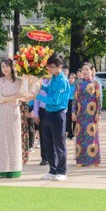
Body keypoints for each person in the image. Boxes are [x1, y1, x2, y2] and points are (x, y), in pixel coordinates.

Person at [38, 53, 71, 181]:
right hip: (48, 113)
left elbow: (55, 100)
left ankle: (62, 171)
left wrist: (37, 96)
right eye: (48, 67)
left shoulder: (62, 80)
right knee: (48, 143)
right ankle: (53, 169)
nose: (49, 69)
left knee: (59, 144)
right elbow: (49, 90)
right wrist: (40, 86)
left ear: (59, 67)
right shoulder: (53, 78)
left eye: (52, 67)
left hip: (58, 114)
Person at [0, 59, 23, 178]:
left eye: (7, 66)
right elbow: (0, 99)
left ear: (12, 67)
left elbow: (25, 96)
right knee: (3, 141)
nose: (5, 69)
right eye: (3, 66)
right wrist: (15, 97)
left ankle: (15, 169)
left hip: (14, 113)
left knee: (14, 140)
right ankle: (3, 169)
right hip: (3, 112)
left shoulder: (19, 81)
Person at [72, 63, 102, 167]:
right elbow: (74, 99)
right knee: (80, 137)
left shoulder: (95, 83)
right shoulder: (78, 83)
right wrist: (73, 112)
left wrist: (98, 113)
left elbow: (99, 99)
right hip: (80, 114)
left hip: (92, 114)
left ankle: (92, 160)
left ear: (91, 71)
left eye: (87, 69)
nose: (84, 71)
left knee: (91, 137)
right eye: (83, 70)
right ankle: (81, 160)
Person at [33, 78, 50, 166]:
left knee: (53, 135)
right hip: (42, 111)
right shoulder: (40, 82)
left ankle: (52, 157)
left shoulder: (56, 81)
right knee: (43, 135)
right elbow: (36, 99)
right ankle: (44, 158)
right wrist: (36, 113)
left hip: (53, 111)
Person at [19, 99, 36, 164]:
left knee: (31, 129)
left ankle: (31, 146)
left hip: (30, 108)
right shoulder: (22, 102)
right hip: (21, 125)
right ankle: (23, 159)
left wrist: (34, 111)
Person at [66, 73, 76, 140]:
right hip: (68, 102)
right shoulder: (66, 85)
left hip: (74, 102)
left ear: (74, 79)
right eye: (70, 78)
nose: (71, 79)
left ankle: (75, 133)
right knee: (68, 119)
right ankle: (69, 134)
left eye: (72, 78)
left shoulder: (76, 86)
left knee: (74, 119)